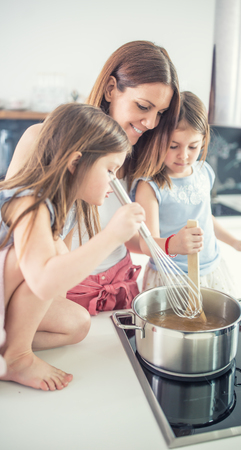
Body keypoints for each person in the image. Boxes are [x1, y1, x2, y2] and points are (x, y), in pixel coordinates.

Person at [6, 40, 180, 315]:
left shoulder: (140, 153)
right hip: (62, 289)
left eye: (160, 113)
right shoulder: (41, 140)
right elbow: (18, 244)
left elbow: (136, 236)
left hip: (120, 286)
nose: (151, 123)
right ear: (111, 89)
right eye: (143, 106)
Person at [0, 103, 145, 391]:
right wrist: (112, 236)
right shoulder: (29, 202)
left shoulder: (60, 207)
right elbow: (43, 282)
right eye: (110, 169)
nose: (113, 182)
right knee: (54, 256)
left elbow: (55, 289)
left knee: (77, 324)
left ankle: (8, 349)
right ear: (76, 162)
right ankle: (17, 357)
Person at [130, 91, 241, 295]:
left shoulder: (204, 171)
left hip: (211, 270)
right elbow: (147, 244)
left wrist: (234, 241)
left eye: (193, 146)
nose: (184, 155)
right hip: (171, 278)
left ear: (203, 140)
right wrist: (174, 244)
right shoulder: (150, 186)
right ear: (157, 140)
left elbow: (205, 219)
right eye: (173, 146)